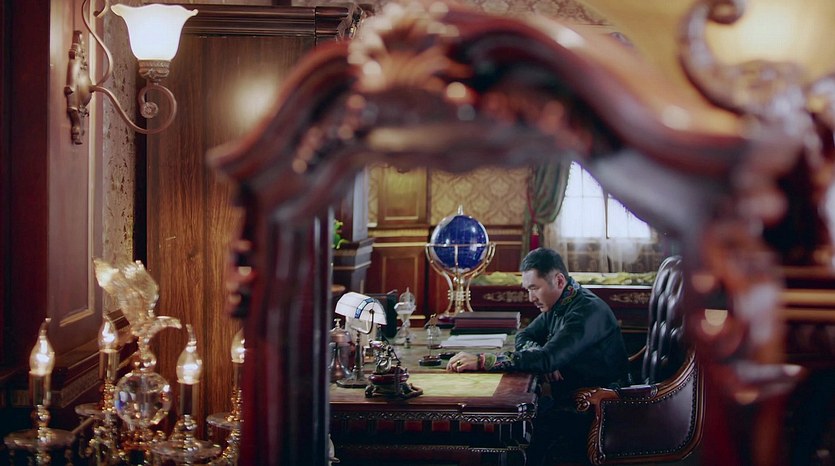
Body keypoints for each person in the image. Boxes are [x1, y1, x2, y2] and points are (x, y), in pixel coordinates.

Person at [446, 247, 629, 465]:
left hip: (599, 407)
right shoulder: (559, 303)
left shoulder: (586, 311)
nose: (531, 297)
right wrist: (544, 357)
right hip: (570, 396)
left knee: (513, 430)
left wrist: (481, 361)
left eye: (534, 288)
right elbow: (525, 336)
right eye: (527, 290)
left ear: (559, 281)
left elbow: (547, 358)